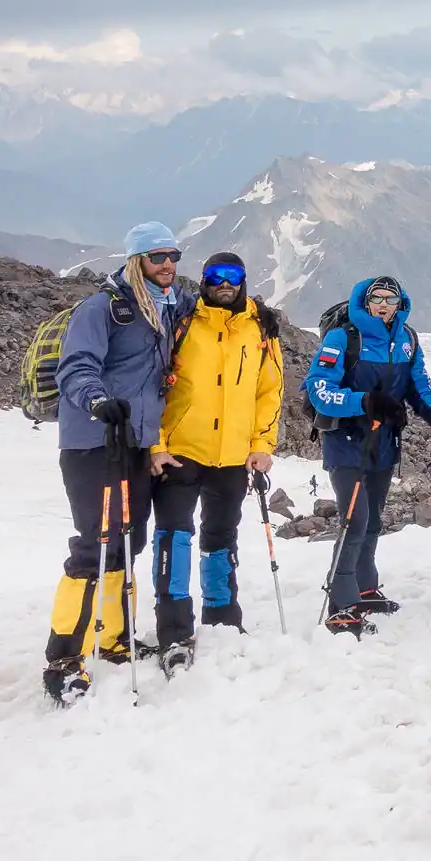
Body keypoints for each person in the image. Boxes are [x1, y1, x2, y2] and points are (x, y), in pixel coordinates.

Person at [42, 221, 193, 705]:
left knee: (129, 540)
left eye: (173, 255)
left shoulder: (168, 308)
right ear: (136, 261)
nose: (167, 265)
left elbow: (220, 304)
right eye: (156, 257)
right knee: (95, 544)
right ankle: (64, 658)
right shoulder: (103, 308)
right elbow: (76, 365)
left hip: (135, 444)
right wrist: (96, 401)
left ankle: (112, 639)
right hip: (94, 441)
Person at [147, 252, 283, 674]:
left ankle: (222, 617)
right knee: (174, 538)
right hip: (181, 451)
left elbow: (269, 392)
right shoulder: (182, 321)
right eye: (216, 276)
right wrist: (156, 444)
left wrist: (262, 444)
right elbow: (151, 383)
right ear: (204, 280)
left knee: (220, 538)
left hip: (232, 456)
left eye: (234, 276)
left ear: (243, 280)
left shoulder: (260, 329)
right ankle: (173, 632)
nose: (225, 283)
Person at [303, 276, 431, 635]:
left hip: (384, 446)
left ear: (400, 303)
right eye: (377, 298)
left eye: (391, 298)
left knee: (372, 522)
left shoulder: (407, 340)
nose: (384, 304)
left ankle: (365, 589)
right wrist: (365, 402)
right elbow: (319, 389)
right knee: (354, 522)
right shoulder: (343, 338)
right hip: (347, 444)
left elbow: (419, 387)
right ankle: (341, 602)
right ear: (365, 302)